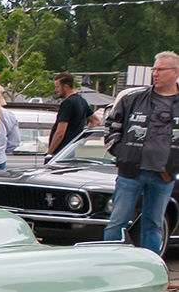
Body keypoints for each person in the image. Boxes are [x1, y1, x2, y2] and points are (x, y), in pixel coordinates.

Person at [101, 51, 179, 255]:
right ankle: (108, 262)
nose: (155, 74)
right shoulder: (132, 99)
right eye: (154, 69)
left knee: (153, 224)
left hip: (164, 175)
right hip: (130, 173)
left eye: (160, 69)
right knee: (116, 222)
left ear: (175, 72)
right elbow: (111, 125)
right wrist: (121, 153)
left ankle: (150, 266)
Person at [47, 72, 97, 160]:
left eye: (57, 86)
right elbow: (96, 121)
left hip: (60, 153)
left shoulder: (67, 103)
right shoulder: (82, 101)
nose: (56, 90)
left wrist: (50, 153)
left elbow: (60, 133)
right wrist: (81, 139)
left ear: (65, 86)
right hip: (72, 150)